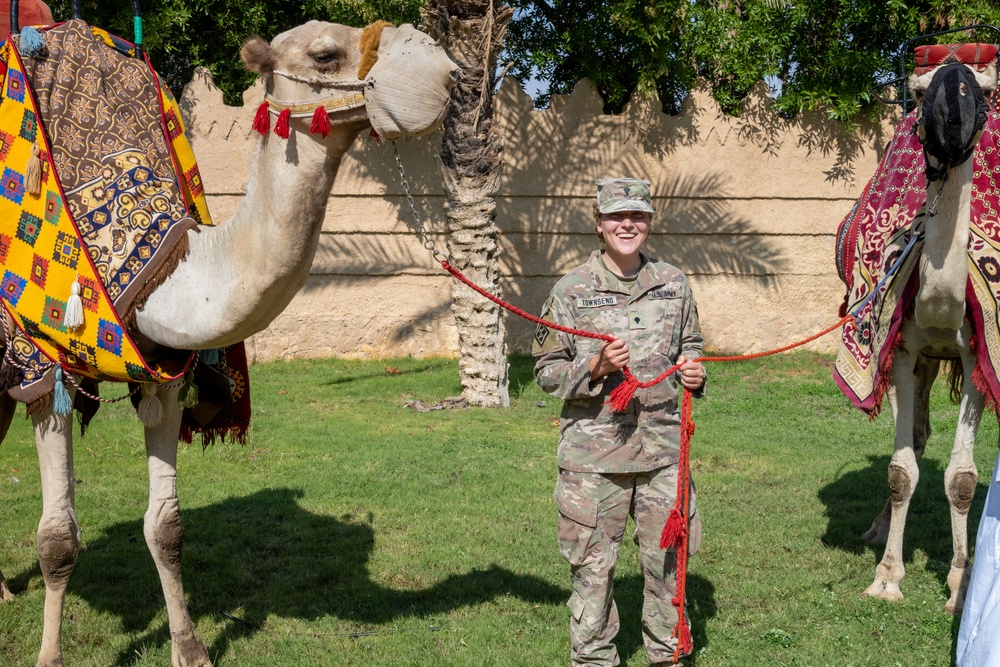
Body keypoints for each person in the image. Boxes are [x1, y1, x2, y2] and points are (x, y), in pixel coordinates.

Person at [533, 177, 707, 666]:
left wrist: (695, 370)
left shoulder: (674, 284)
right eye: (616, 216)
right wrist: (596, 368)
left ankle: (668, 656)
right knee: (593, 574)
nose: (627, 224)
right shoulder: (570, 291)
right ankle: (593, 660)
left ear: (649, 222)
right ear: (598, 224)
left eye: (638, 215)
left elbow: (690, 344)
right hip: (595, 462)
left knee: (669, 568)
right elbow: (546, 373)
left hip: (662, 455)